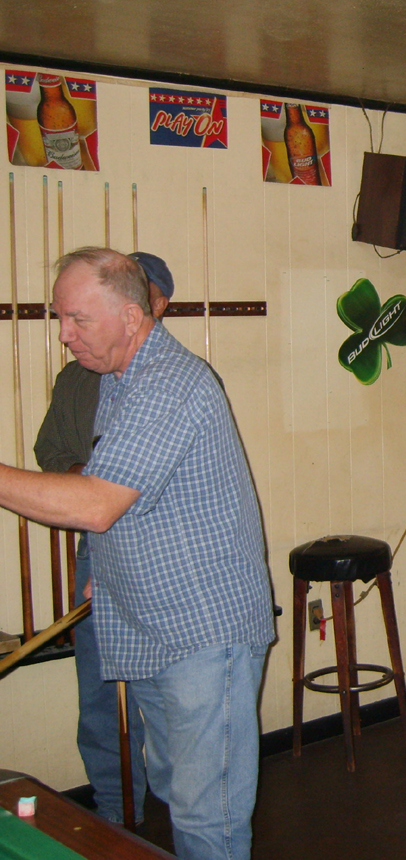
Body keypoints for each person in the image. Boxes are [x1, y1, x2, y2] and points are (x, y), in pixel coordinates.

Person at [1, 248, 274, 860]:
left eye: (77, 319)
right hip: (150, 620)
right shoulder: (118, 380)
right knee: (179, 793)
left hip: (203, 631)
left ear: (130, 316)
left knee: (207, 817)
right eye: (60, 318)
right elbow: (135, 498)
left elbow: (98, 504)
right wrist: (107, 570)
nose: (64, 335)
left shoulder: (168, 382)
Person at [33, 251, 174, 827]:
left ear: (153, 307)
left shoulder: (172, 381)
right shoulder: (77, 379)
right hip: (98, 552)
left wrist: (99, 489)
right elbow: (51, 454)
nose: (68, 334)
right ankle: (115, 817)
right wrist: (85, 480)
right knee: (99, 696)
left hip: (161, 560)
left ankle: (178, 813)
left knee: (167, 697)